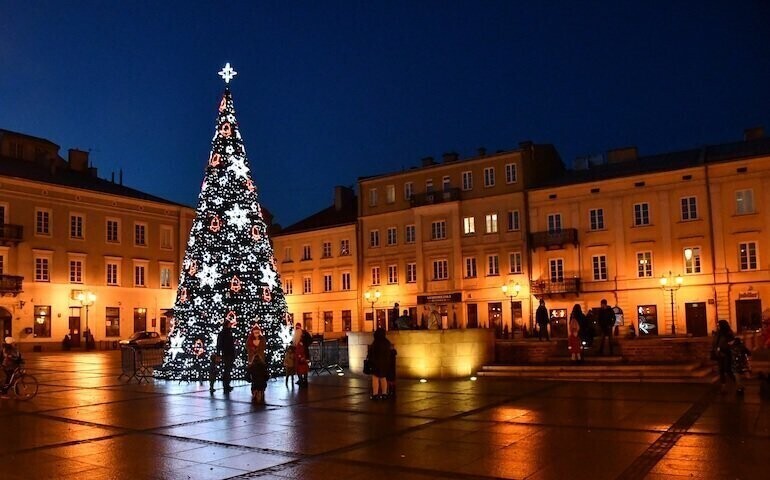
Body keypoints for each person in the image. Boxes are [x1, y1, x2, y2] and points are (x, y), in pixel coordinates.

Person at [367, 327, 391, 400]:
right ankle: (384, 394)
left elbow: (371, 354)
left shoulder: (375, 342)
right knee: (383, 378)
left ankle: (375, 394)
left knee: (375, 378)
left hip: (376, 363)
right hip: (384, 363)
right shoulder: (387, 342)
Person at [712, 320, 735, 394]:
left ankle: (738, 383)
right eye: (717, 325)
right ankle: (723, 387)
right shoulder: (718, 333)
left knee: (728, 370)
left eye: (719, 325)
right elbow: (715, 342)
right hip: (720, 355)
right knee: (721, 370)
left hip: (727, 354)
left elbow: (731, 343)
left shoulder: (728, 333)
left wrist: (722, 348)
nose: (717, 327)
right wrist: (716, 349)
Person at [246, 325, 266, 402]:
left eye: (258, 332)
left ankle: (261, 389)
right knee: (254, 375)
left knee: (261, 374)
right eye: (255, 332)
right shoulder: (250, 339)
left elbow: (264, 346)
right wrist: (252, 349)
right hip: (252, 359)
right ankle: (255, 390)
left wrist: (258, 349)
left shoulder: (262, 339)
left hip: (260, 359)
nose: (257, 334)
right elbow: (247, 346)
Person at [216, 319, 235, 393]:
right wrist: (218, 354)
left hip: (228, 353)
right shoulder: (225, 333)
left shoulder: (226, 333)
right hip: (227, 353)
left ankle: (226, 385)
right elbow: (219, 344)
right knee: (227, 370)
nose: (231, 325)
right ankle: (226, 385)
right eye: (229, 324)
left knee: (227, 370)